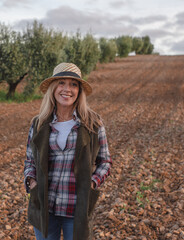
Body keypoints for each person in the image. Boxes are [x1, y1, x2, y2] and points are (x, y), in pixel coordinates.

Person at [24, 63, 112, 240]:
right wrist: (32, 182)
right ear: (53, 88)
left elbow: (105, 162)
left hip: (77, 207)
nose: (67, 89)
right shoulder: (39, 123)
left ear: (79, 91)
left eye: (73, 84)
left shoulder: (93, 123)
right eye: (61, 83)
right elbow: (30, 161)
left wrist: (92, 184)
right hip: (44, 206)